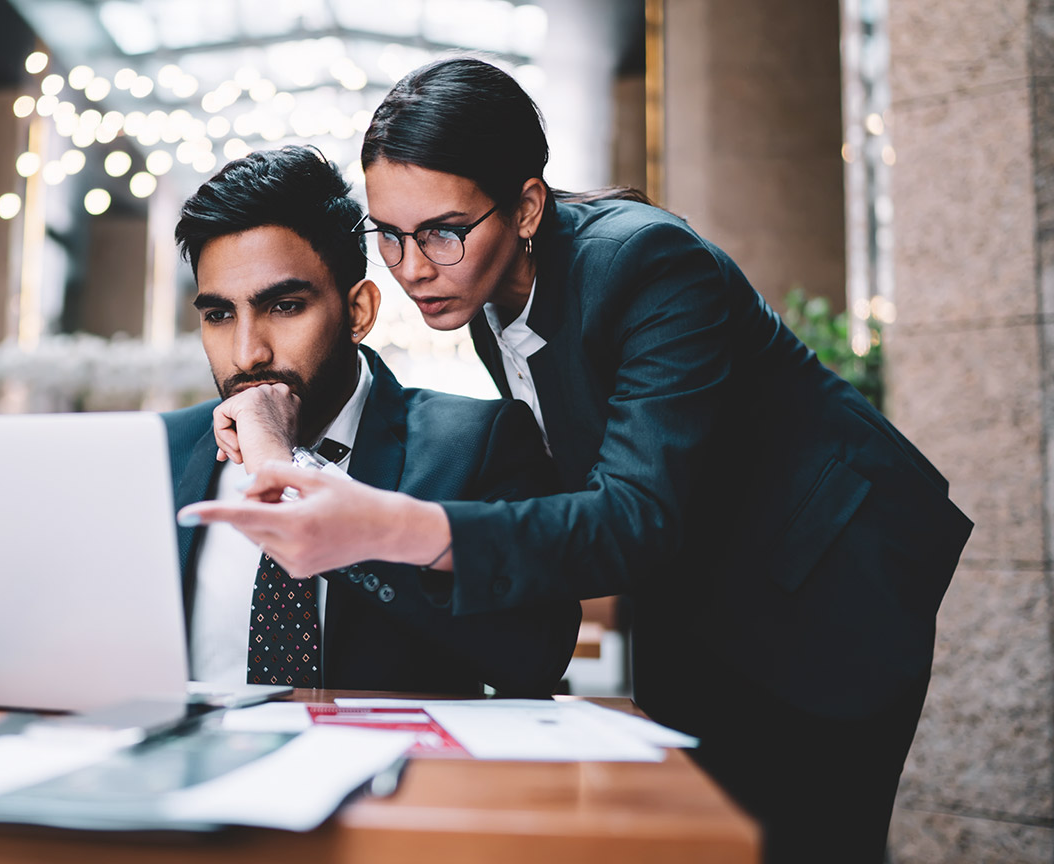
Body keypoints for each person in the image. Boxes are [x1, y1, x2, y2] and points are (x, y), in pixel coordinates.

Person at [179, 60, 973, 862]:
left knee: (805, 840)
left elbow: (632, 511)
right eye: (389, 234)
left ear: (526, 206)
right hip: (696, 580)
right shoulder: (487, 298)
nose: (414, 266)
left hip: (830, 576)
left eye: (442, 230)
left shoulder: (649, 262)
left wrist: (387, 524)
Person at [165, 145, 579, 695]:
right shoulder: (162, 452)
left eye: (285, 306)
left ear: (358, 311)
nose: (247, 354)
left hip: (399, 777)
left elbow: (534, 656)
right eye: (219, 315)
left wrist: (292, 474)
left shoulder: (478, 443)